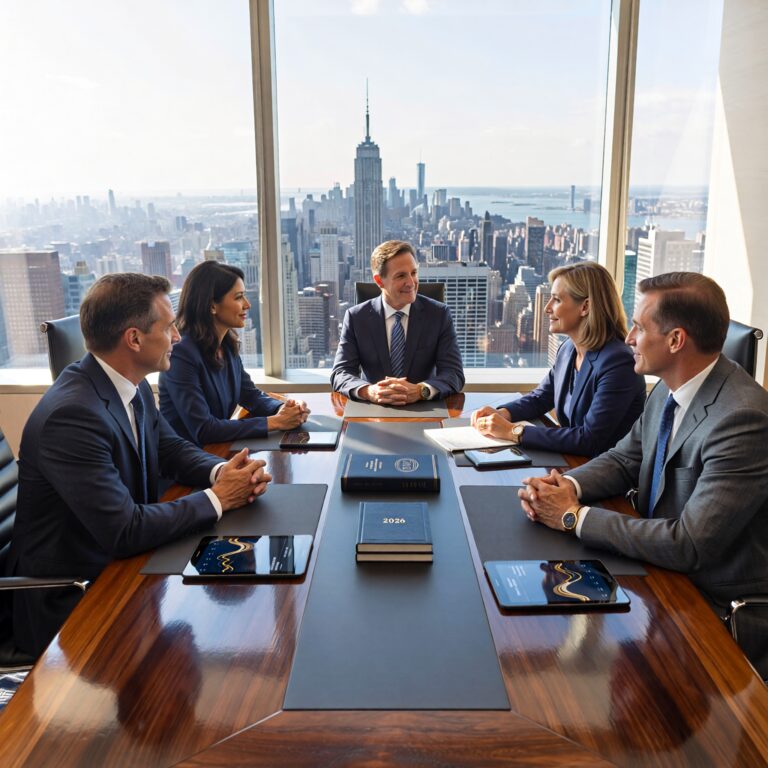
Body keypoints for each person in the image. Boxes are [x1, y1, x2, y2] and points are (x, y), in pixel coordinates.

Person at [9, 273, 272, 656]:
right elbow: (125, 530)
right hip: (73, 599)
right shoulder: (72, 416)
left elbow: (170, 448)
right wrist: (218, 499)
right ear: (133, 339)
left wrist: (223, 472)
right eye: (168, 329)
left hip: (120, 568)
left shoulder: (131, 384)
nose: (178, 338)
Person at [519, 273, 768, 631]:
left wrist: (573, 516)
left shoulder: (742, 419)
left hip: (712, 608)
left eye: (638, 327)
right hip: (658, 571)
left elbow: (688, 544)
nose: (629, 338)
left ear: (675, 340)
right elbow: (624, 458)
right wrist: (565, 487)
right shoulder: (669, 391)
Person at [471, 262, 646, 456]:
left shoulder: (619, 362)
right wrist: (503, 413)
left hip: (605, 474)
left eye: (556, 300)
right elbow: (540, 398)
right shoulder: (568, 349)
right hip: (573, 462)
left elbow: (589, 439)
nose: (547, 308)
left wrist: (513, 432)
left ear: (585, 307)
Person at [159, 261, 308, 447]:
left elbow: (250, 396)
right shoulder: (181, 353)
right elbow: (204, 429)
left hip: (217, 452)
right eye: (238, 297)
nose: (247, 304)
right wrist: (276, 422)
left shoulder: (226, 344)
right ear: (212, 305)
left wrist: (286, 409)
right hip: (186, 465)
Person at [331, 240, 464, 404]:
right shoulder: (356, 318)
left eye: (414, 273)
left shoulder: (438, 315)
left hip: (424, 409)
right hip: (373, 411)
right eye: (401, 275)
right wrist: (369, 391)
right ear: (379, 281)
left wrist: (421, 390)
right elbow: (340, 373)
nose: (411, 282)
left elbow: (454, 373)